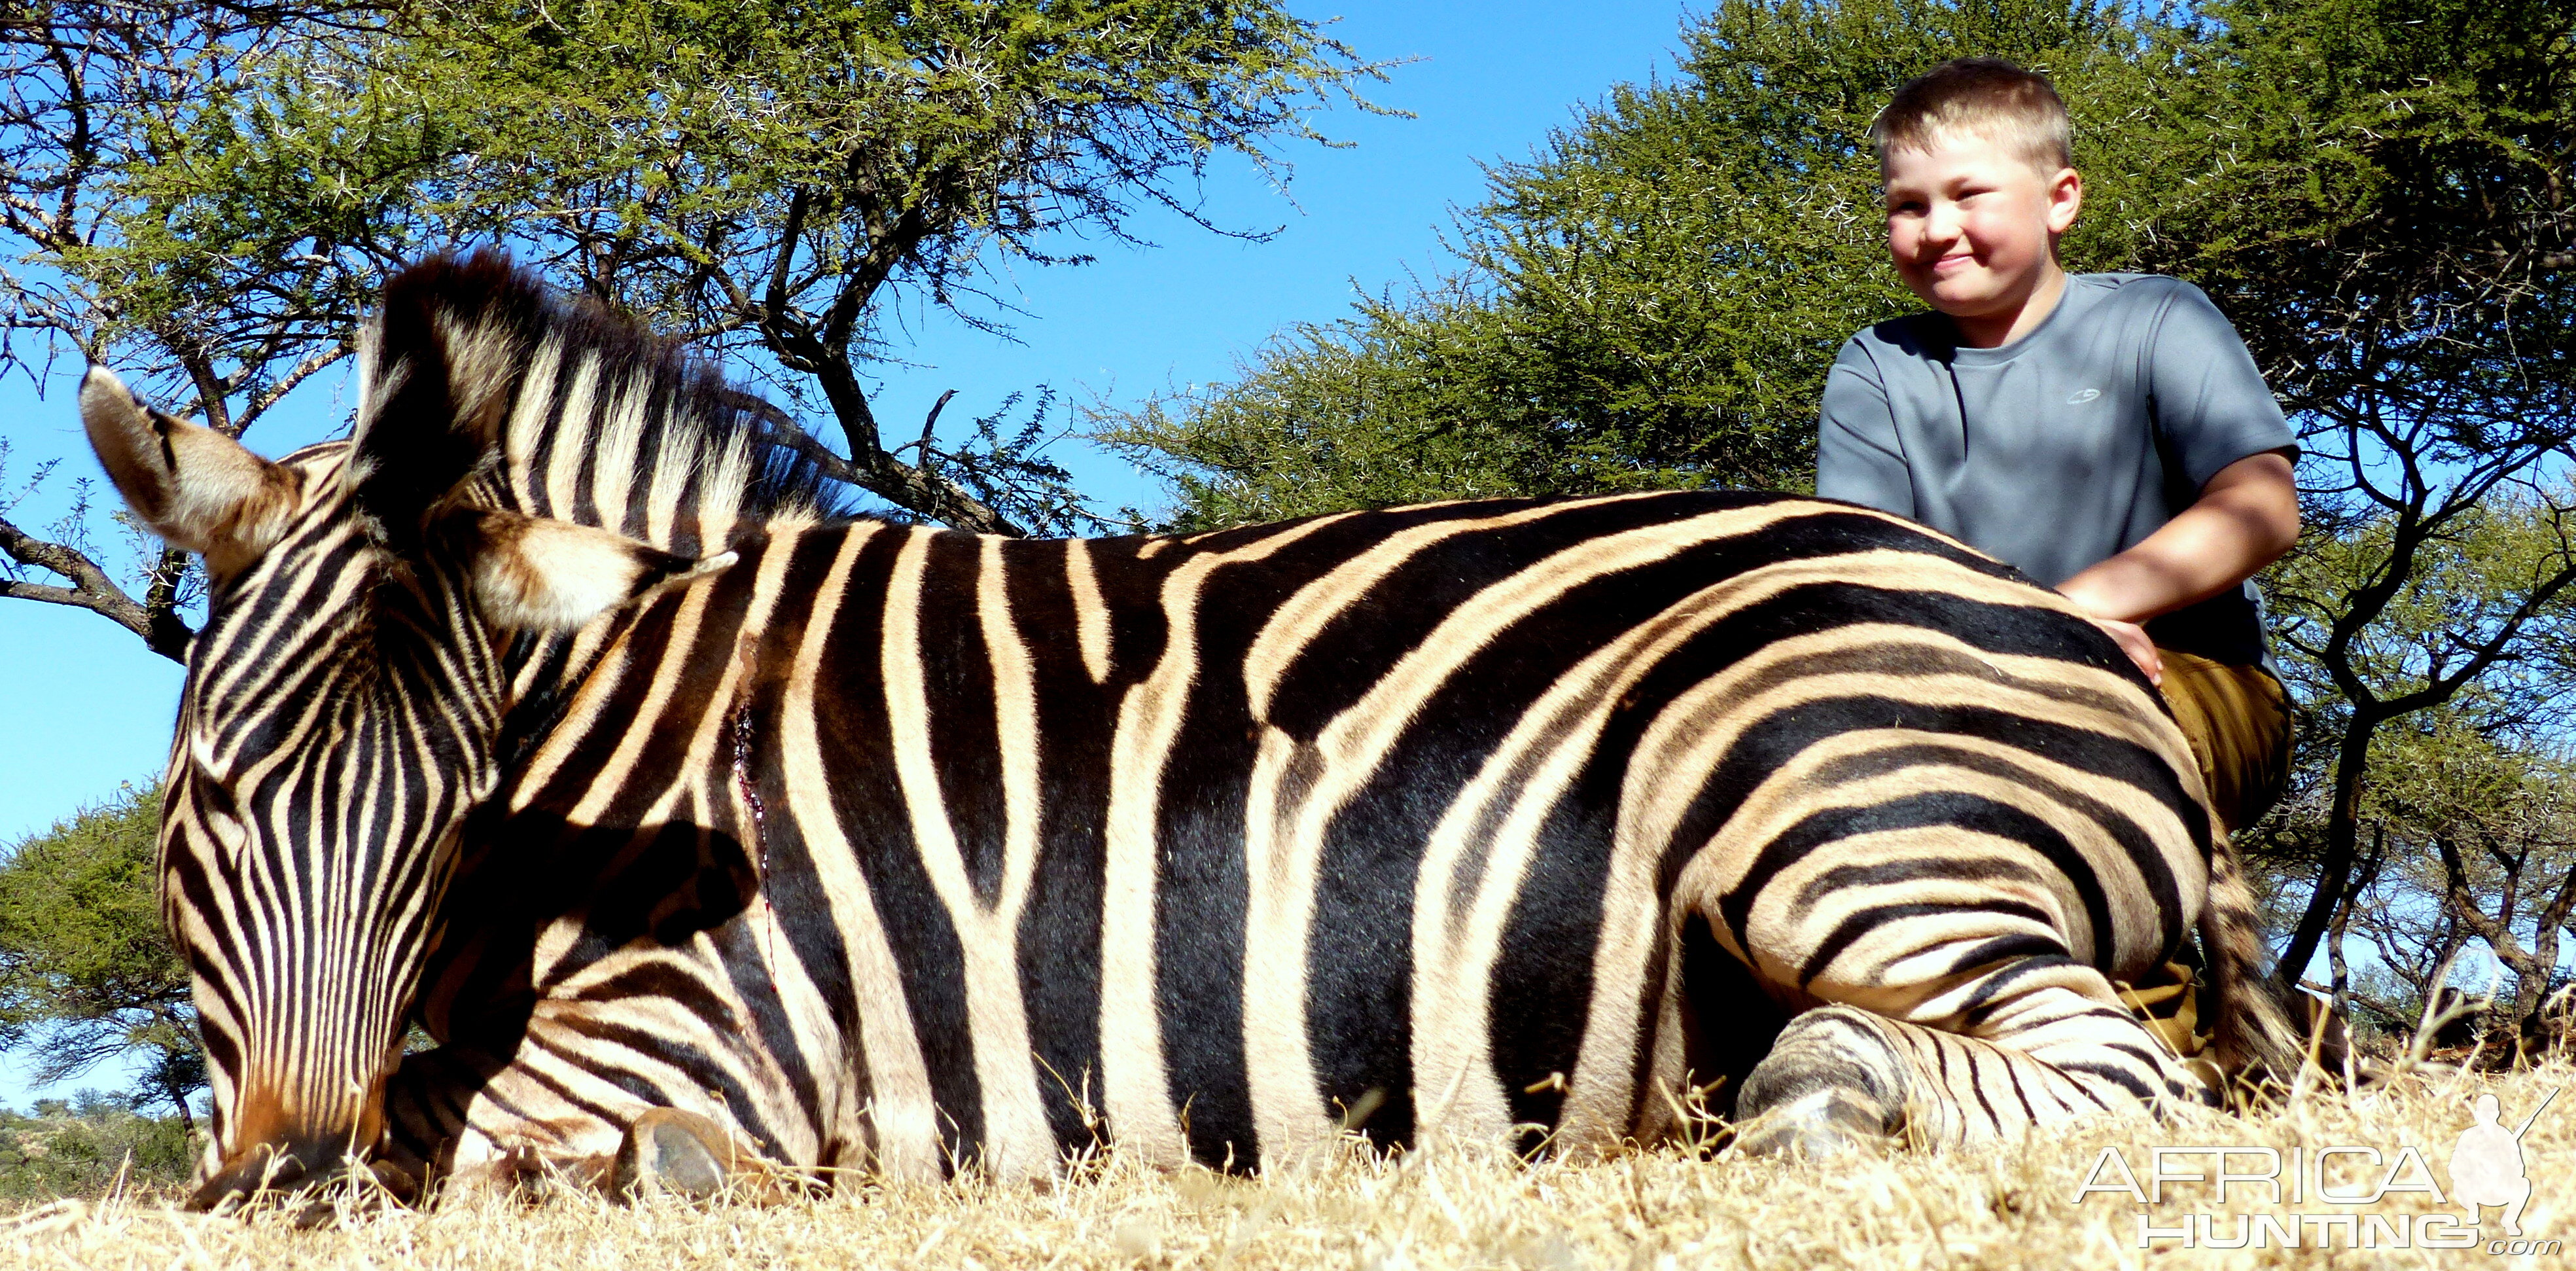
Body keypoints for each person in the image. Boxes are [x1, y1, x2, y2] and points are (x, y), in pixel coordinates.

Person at [1816, 58, 2301, 834]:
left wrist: (2061, 620)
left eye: (1969, 194)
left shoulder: (2159, 317)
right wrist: (2025, 637)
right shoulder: (1874, 364)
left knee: (2067, 741)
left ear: (2059, 200)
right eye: (1907, 205)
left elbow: (2264, 508)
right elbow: (1869, 582)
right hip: (1952, 689)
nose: (1937, 229)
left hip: (2189, 681)